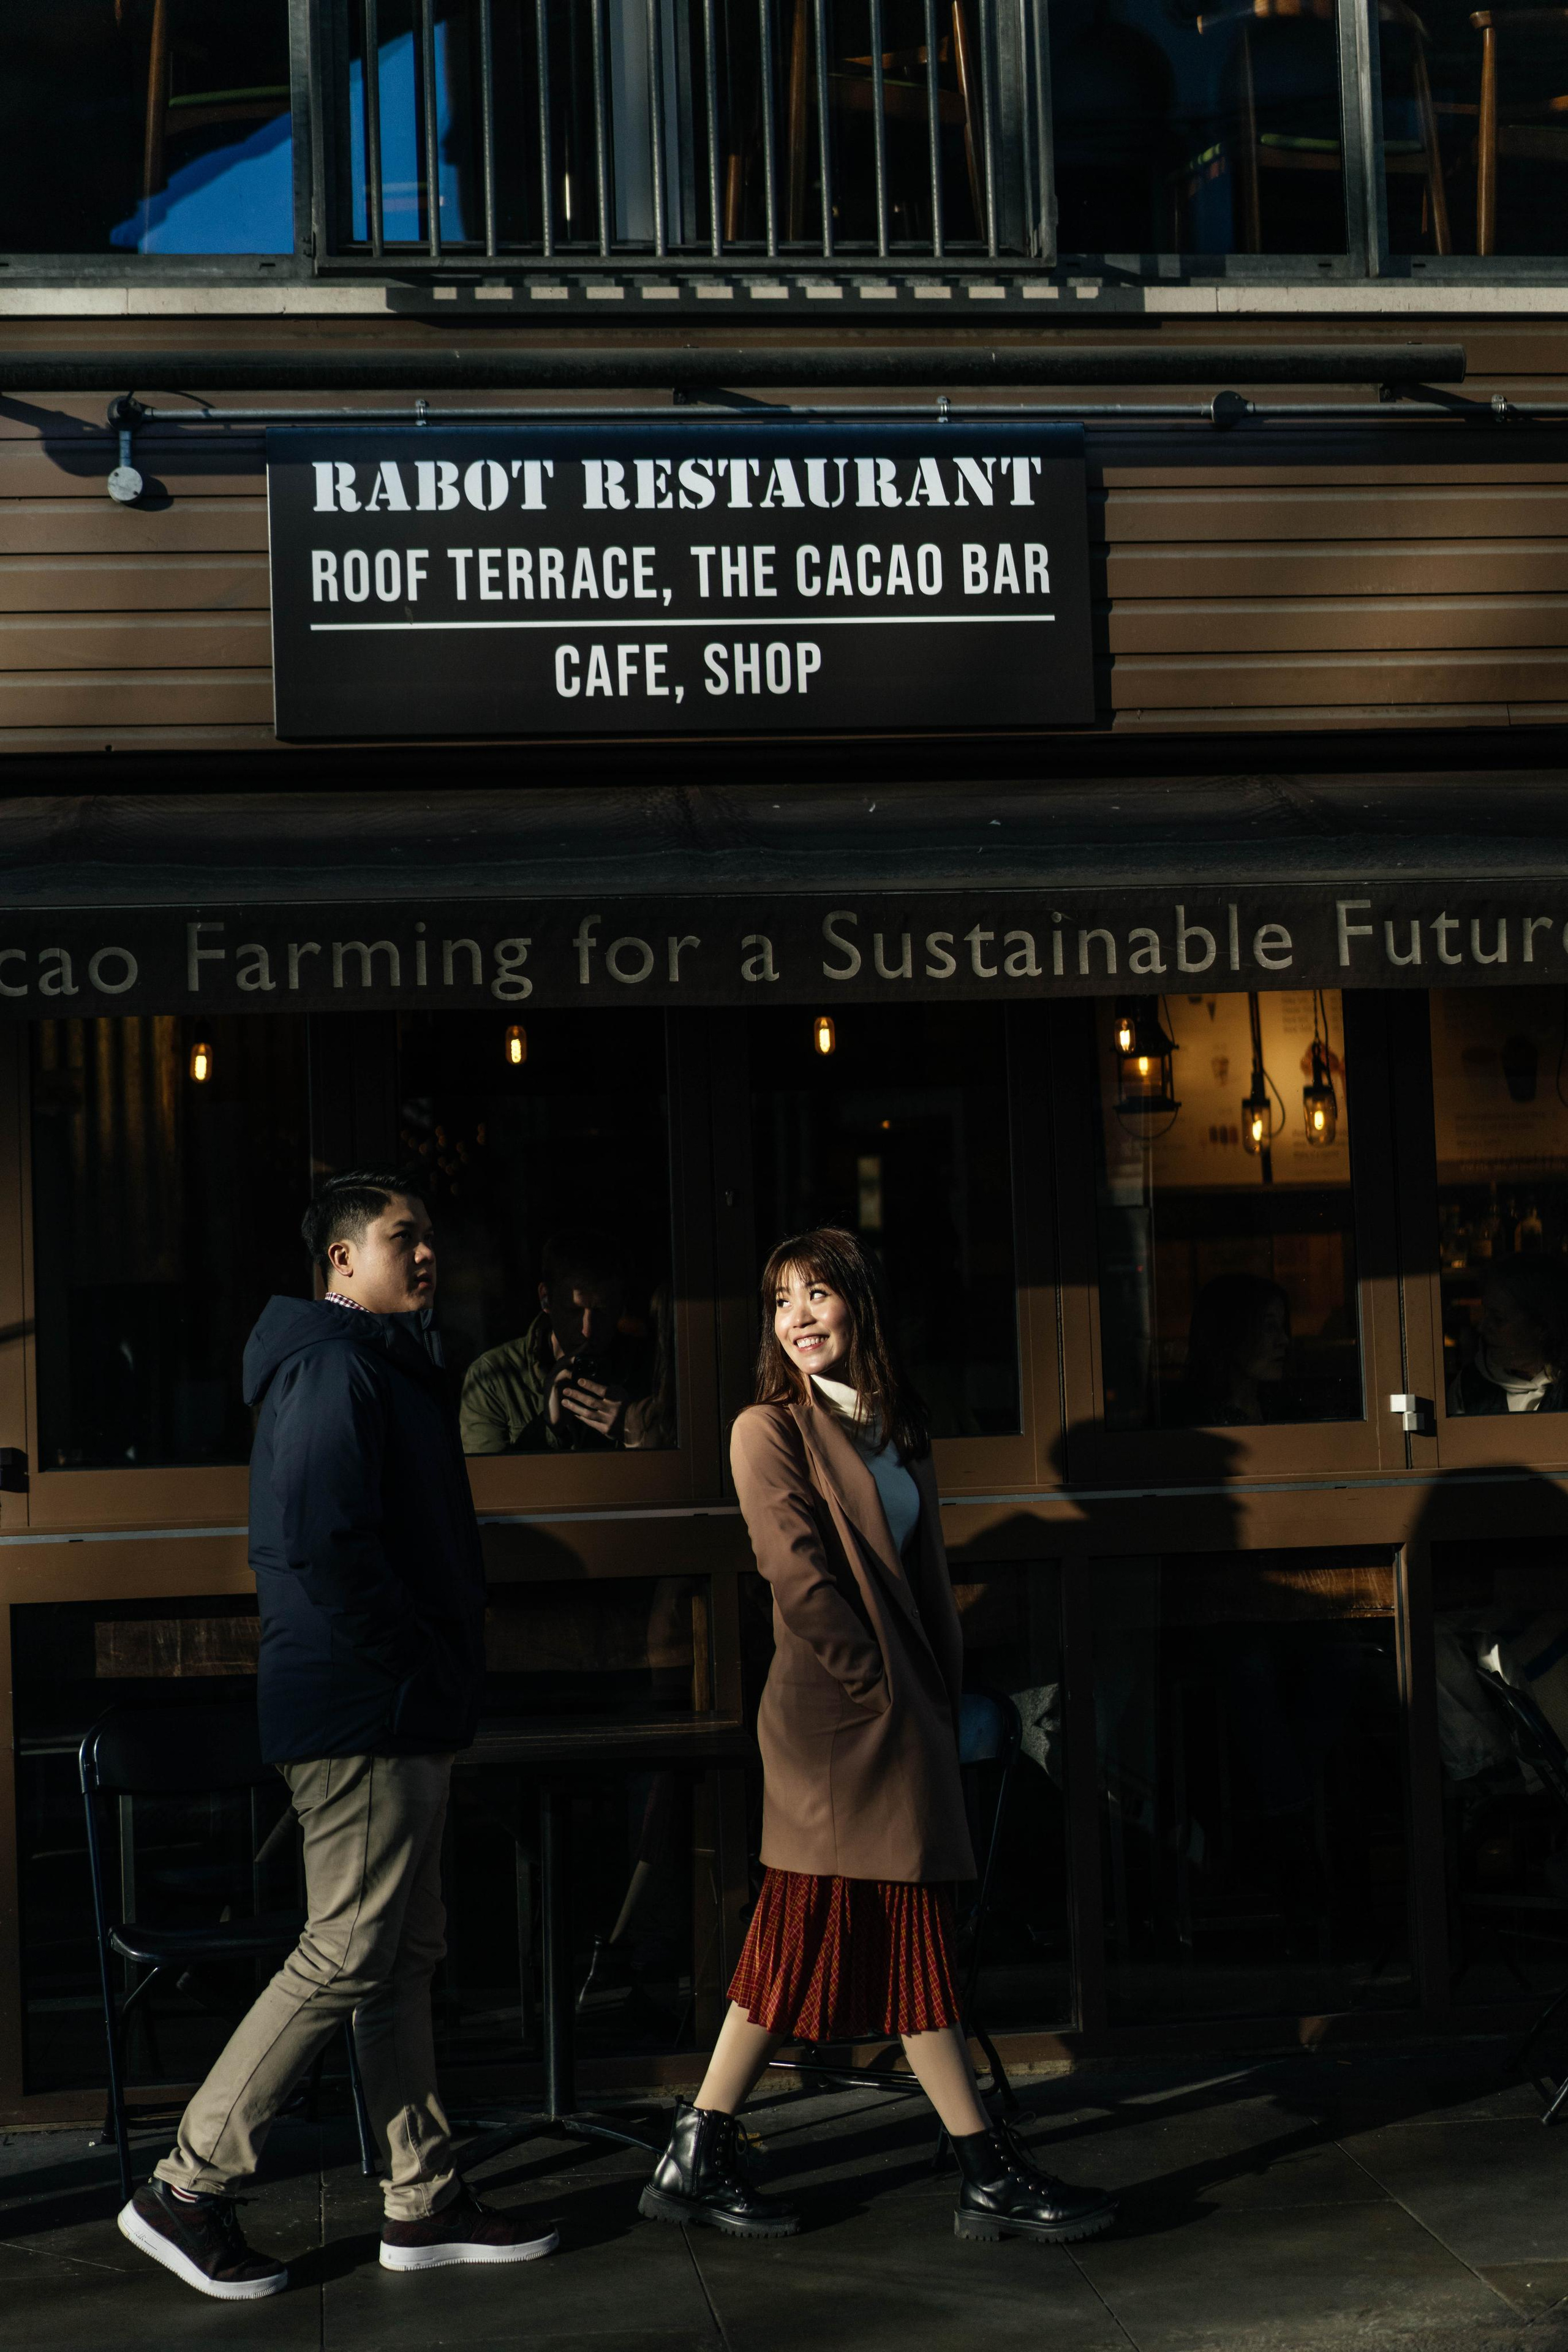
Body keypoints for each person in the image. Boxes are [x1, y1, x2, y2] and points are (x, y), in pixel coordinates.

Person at [119, 1170, 558, 2301]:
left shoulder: (375, 1362)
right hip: (366, 1706)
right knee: (349, 1950)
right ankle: (186, 2186)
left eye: (430, 1239)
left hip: (391, 1704)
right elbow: (321, 1544)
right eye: (403, 1238)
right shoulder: (333, 1365)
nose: (427, 1256)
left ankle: (422, 2199)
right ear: (341, 1261)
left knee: (400, 1954)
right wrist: (413, 1659)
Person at [637, 1227, 1116, 2247]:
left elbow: (924, 1584)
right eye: (780, 1301)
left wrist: (928, 1702)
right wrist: (886, 1694)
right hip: (835, 1722)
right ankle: (981, 2170)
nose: (798, 1316)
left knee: (837, 1934)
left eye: (818, 1294)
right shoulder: (767, 1429)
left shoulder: (898, 1430)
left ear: (862, 1306)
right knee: (864, 1933)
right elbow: (799, 1579)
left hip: (900, 1719)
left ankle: (701, 2147)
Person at [459, 1226, 658, 1454]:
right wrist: (549, 1426)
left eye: (602, 1311)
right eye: (573, 1311)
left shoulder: (648, 1369)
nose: (588, 1331)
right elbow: (489, 1484)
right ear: (546, 1299)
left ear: (620, 1307)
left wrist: (634, 1433)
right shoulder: (495, 1379)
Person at [1448, 1257, 1568, 1416]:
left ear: (1542, 1325)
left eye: (1498, 1319)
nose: (1483, 1327)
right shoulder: (1468, 1388)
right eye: (1486, 1314)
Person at [1179, 1273, 1291, 1426]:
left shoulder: (1282, 1412)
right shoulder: (1199, 1425)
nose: (1284, 1340)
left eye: (1282, 1326)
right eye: (1269, 1327)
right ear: (1231, 1333)